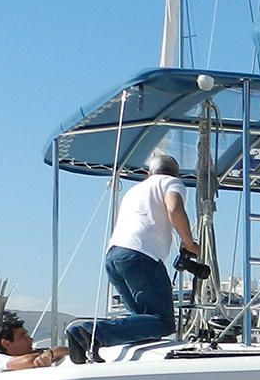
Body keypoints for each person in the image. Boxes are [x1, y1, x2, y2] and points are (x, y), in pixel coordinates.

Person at [68, 151, 204, 362]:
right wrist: (189, 243)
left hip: (114, 256)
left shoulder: (135, 190)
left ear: (149, 173)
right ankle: (88, 333)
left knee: (144, 323)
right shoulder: (171, 182)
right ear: (175, 174)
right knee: (163, 322)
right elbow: (174, 209)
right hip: (141, 256)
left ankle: (92, 341)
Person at [0, 315, 68, 373]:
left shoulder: (40, 355)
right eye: (23, 336)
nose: (30, 339)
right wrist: (48, 355)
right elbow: (28, 360)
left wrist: (50, 353)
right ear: (6, 343)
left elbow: (64, 350)